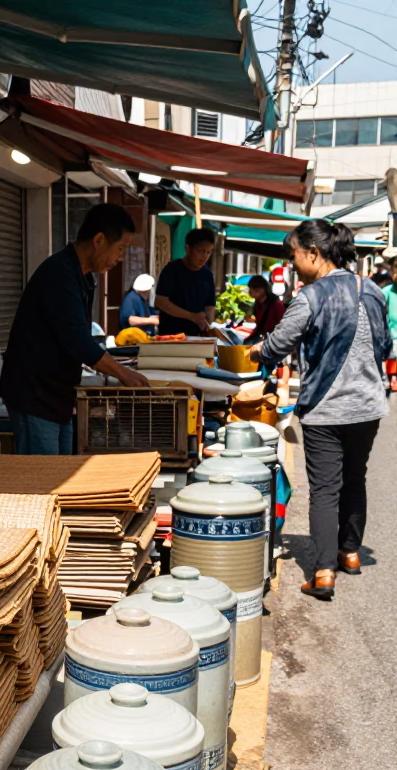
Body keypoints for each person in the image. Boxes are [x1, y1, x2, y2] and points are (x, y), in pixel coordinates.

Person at [249, 219, 390, 601]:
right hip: (368, 405)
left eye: (293, 254)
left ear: (313, 252)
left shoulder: (311, 297)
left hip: (326, 409)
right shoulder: (373, 290)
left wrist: (254, 351)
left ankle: (324, 571)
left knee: (326, 489)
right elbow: (385, 345)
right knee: (354, 478)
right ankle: (350, 552)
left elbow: (277, 344)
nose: (292, 262)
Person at [0, 204, 150, 455]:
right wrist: (123, 374)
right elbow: (77, 341)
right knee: (42, 480)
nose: (120, 258)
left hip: (57, 395)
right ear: (99, 240)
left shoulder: (84, 276)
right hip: (34, 394)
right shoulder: (59, 274)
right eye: (120, 249)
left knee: (60, 472)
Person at [154, 227, 217, 336]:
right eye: (200, 250)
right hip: (171, 336)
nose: (205, 256)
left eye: (208, 252)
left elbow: (210, 307)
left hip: (197, 337)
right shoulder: (172, 270)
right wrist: (191, 316)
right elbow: (160, 301)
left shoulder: (208, 275)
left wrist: (208, 324)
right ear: (188, 249)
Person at [244, 274, 285, 343]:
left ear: (262, 289)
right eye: (250, 288)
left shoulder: (276, 304)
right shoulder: (257, 303)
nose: (250, 292)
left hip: (274, 341)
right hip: (264, 339)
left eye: (253, 288)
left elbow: (283, 325)